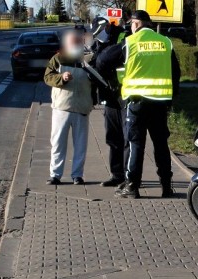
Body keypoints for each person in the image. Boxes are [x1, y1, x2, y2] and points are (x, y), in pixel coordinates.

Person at [97, 10, 181, 199]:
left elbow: (102, 60)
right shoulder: (165, 42)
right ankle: (166, 187)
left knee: (135, 144)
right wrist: (172, 98)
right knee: (161, 144)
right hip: (160, 102)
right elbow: (176, 73)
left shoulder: (131, 42)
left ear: (136, 24)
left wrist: (115, 78)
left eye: (131, 24)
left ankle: (132, 186)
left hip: (137, 102)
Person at [43, 31, 94, 185]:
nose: (76, 44)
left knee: (80, 145)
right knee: (58, 143)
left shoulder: (88, 59)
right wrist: (61, 78)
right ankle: (55, 175)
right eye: (73, 42)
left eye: (78, 42)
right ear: (67, 44)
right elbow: (47, 77)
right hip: (62, 107)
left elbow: (98, 78)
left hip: (82, 107)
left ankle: (77, 175)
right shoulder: (58, 58)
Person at [91, 19, 128, 187]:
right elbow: (96, 64)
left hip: (125, 94)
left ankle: (130, 175)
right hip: (110, 96)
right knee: (113, 137)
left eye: (100, 32)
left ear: (107, 27)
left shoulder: (123, 36)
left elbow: (112, 60)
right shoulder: (99, 42)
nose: (98, 36)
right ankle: (117, 175)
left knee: (128, 137)